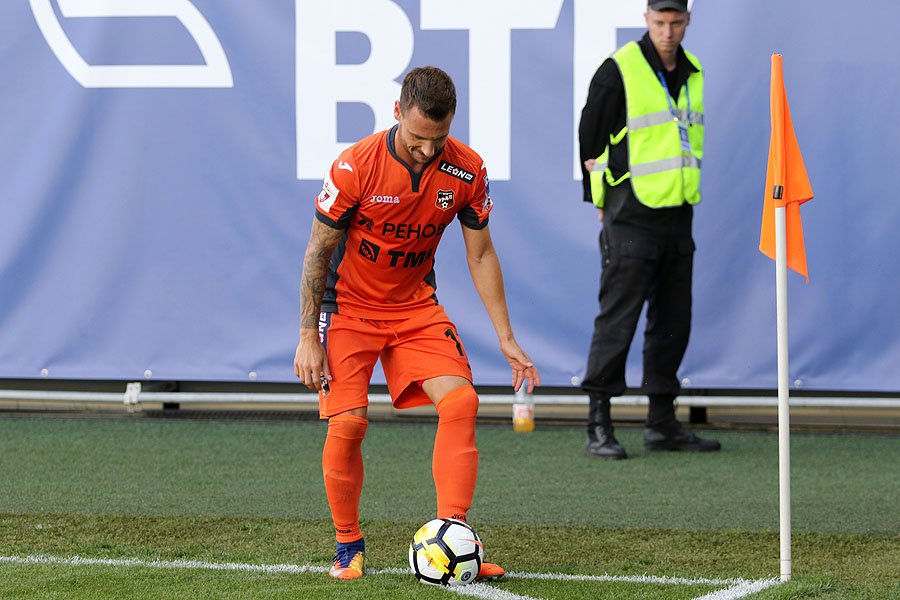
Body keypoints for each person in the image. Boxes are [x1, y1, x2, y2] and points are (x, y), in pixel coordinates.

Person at [293, 66, 540, 580]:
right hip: (348, 308)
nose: (428, 151)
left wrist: (506, 337)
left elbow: (481, 254)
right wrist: (306, 336)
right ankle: (348, 545)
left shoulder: (467, 170)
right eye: (417, 138)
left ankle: (454, 537)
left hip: (414, 308)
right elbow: (317, 252)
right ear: (397, 113)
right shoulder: (355, 166)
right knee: (348, 423)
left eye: (439, 138)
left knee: (462, 401)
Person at [577, 0, 720, 460]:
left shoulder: (693, 71)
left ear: (688, 20)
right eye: (660, 22)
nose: (668, 31)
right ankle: (598, 424)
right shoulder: (618, 69)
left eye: (676, 22)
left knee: (673, 322)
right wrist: (600, 201)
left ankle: (662, 423)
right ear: (646, 20)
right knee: (618, 319)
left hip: (679, 212)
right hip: (631, 213)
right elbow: (589, 138)